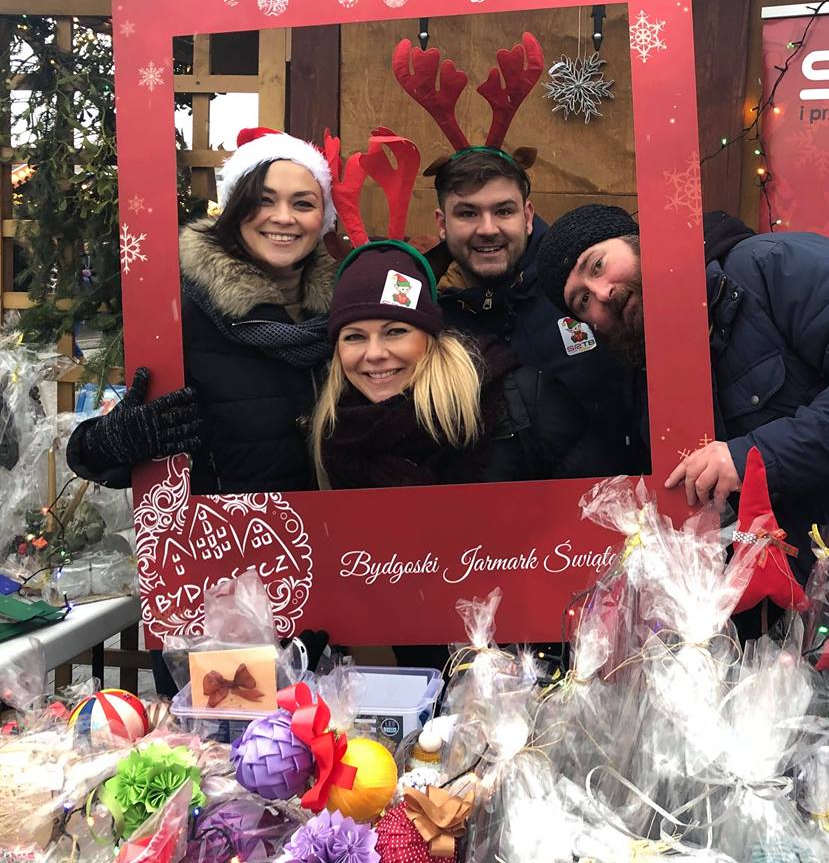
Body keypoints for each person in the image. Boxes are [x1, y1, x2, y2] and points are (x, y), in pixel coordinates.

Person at [536, 203, 829, 583]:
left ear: (637, 241)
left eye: (597, 265)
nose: (602, 293)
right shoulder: (645, 383)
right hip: (784, 592)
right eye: (583, 301)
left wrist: (752, 458)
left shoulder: (770, 266)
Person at [67, 127, 338, 495]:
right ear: (236, 209)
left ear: (323, 218)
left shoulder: (351, 311)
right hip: (235, 529)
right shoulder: (185, 318)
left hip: (348, 529)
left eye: (303, 204)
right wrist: (112, 443)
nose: (283, 217)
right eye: (263, 201)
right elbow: (95, 453)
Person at [426, 149, 647, 476]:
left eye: (503, 211)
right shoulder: (429, 319)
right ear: (442, 224)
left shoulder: (582, 291)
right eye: (468, 213)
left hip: (631, 495)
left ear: (527, 216)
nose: (487, 228)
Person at [311, 238, 592, 491]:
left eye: (395, 331)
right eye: (354, 337)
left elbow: (597, 510)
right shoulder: (336, 436)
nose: (374, 353)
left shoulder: (522, 401)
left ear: (430, 337)